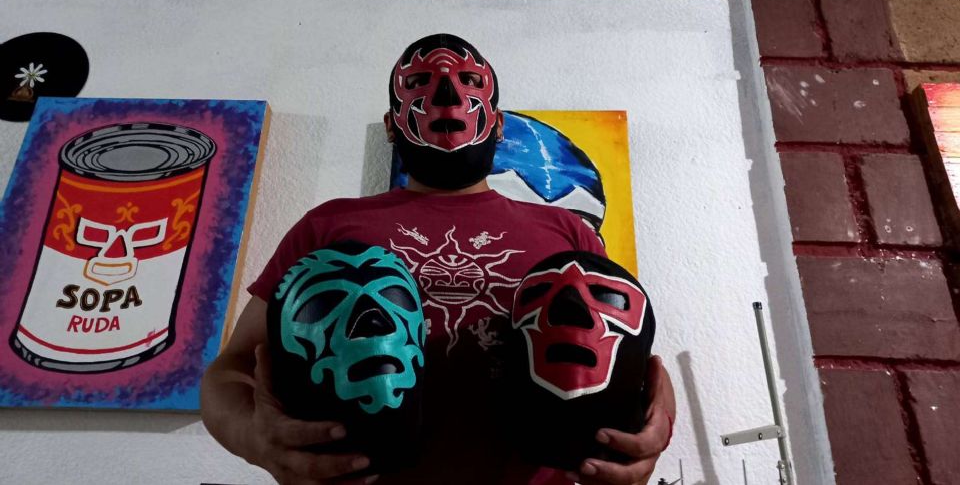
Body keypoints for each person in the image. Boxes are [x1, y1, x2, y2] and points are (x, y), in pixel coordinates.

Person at [200, 34, 676, 485]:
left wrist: (655, 424)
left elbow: (631, 352)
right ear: (391, 125)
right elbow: (232, 368)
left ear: (499, 123)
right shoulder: (328, 226)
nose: (448, 96)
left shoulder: (567, 231)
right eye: (419, 84)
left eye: (469, 82)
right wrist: (254, 438)